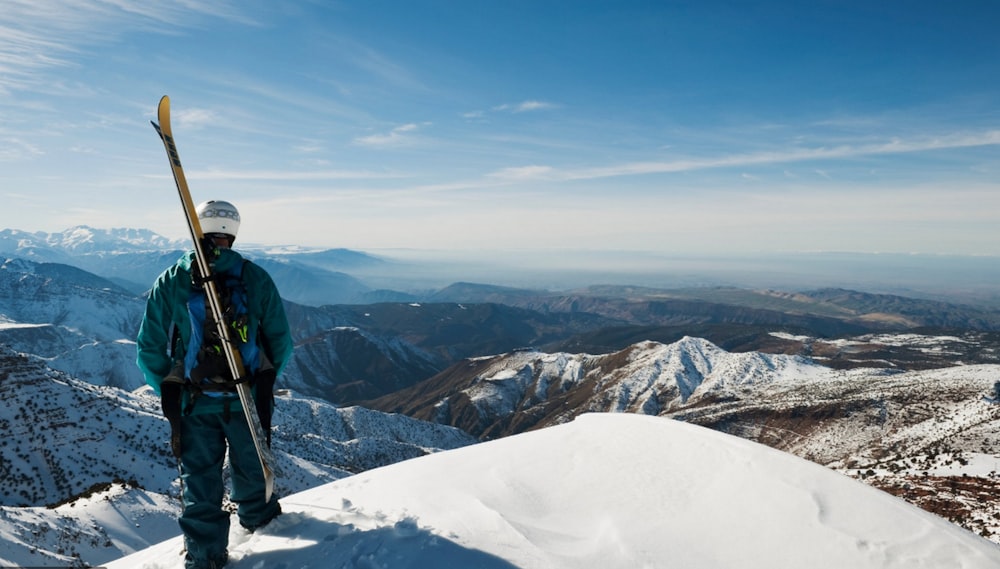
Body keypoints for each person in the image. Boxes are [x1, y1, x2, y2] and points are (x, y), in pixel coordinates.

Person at [137, 200, 294, 569]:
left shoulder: (173, 279)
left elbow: (149, 347)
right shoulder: (254, 277)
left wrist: (172, 391)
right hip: (245, 397)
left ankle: (206, 557)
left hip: (194, 402)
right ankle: (262, 526)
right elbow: (280, 341)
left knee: (200, 484)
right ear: (233, 233)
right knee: (253, 468)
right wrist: (260, 387)